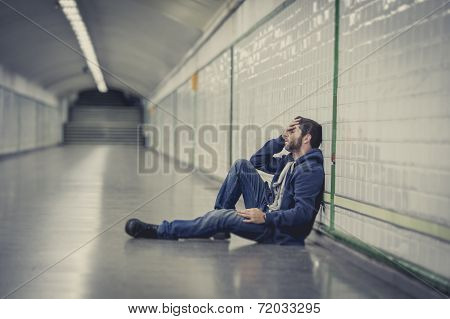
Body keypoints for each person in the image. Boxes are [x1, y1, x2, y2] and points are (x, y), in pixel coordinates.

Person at [125, 116, 325, 245]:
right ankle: (219, 223)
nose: (288, 135)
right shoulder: (290, 161)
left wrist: (265, 218)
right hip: (267, 210)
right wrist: (281, 139)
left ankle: (161, 231)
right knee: (241, 166)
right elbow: (256, 161)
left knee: (222, 218)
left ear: (306, 138)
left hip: (279, 231)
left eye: (293, 132)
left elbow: (303, 215)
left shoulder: (309, 170)